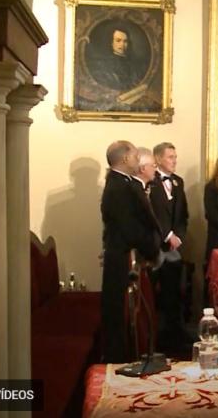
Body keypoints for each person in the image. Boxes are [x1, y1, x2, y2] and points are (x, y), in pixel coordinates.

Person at [100, 141, 160, 363]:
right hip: (123, 258)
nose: (138, 159)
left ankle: (131, 353)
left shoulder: (123, 183)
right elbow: (130, 228)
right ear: (125, 159)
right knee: (122, 312)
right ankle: (120, 360)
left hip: (128, 255)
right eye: (135, 155)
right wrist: (151, 249)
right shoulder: (119, 187)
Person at [148, 142, 190, 353]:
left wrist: (179, 235)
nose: (174, 160)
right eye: (170, 157)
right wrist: (167, 235)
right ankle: (152, 339)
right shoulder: (149, 182)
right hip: (155, 246)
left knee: (173, 293)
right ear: (157, 159)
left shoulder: (179, 182)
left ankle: (173, 340)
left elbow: (183, 215)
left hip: (174, 248)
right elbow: (151, 213)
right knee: (152, 295)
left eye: (175, 156)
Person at [91, 28, 143, 92]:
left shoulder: (134, 64)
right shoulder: (104, 64)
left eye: (125, 41)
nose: (122, 45)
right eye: (118, 40)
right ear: (111, 43)